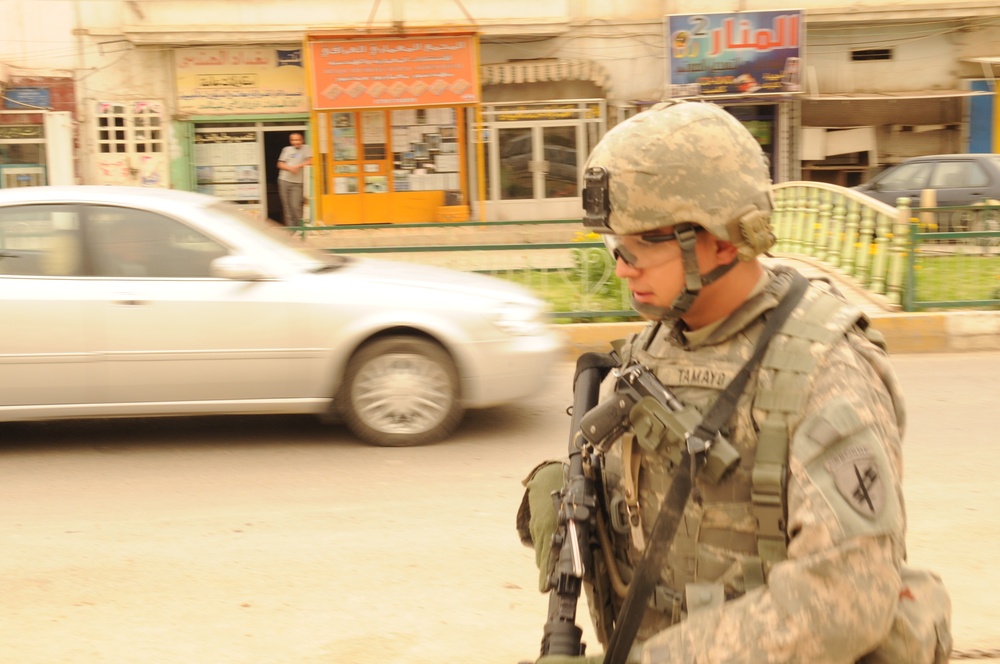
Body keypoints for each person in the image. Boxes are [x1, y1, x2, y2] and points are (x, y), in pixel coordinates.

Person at [518, 101, 951, 663]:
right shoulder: (663, 340)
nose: (622, 266)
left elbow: (846, 597)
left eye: (640, 243)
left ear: (723, 241)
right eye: (614, 245)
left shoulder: (826, 369)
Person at [276, 132, 312, 226]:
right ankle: (291, 230)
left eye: (298, 139)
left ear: (302, 140)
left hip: (297, 183)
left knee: (296, 206)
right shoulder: (286, 149)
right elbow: (280, 164)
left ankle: (300, 228)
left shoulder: (306, 148)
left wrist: (298, 166)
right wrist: (290, 168)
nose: (296, 142)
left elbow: (311, 160)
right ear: (290, 141)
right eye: (293, 140)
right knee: (287, 207)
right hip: (284, 180)